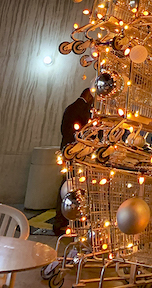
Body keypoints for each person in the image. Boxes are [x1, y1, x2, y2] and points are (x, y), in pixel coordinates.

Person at [53, 88, 94, 235]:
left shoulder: (70, 108)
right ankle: (65, 221)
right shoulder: (82, 110)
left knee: (67, 184)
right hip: (77, 154)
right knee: (71, 186)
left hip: (68, 152)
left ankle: (63, 220)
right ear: (88, 96)